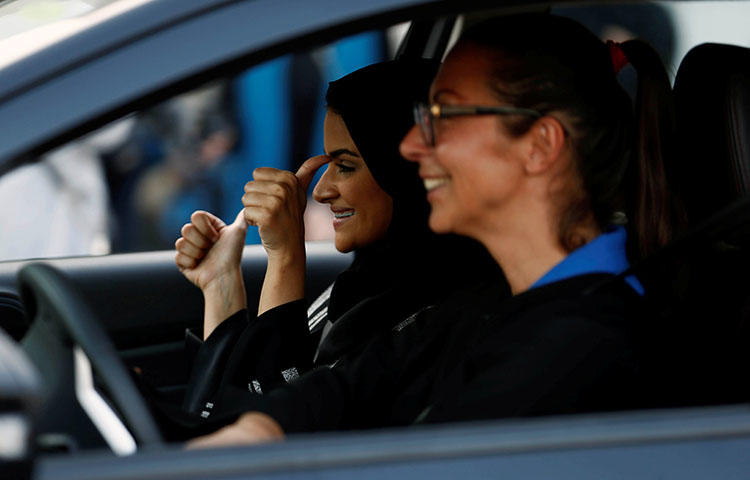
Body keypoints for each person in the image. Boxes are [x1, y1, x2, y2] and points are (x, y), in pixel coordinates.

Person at [186, 12, 678, 447]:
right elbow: (343, 389)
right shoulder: (485, 305)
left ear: (538, 146)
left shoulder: (581, 349)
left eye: (447, 118)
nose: (414, 148)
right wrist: (260, 428)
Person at [173, 59, 502, 419]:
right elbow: (222, 413)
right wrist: (222, 287)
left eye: (345, 166)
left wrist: (285, 257)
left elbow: (273, 426)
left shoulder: (440, 322)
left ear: (405, 171)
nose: (322, 191)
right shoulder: (369, 283)